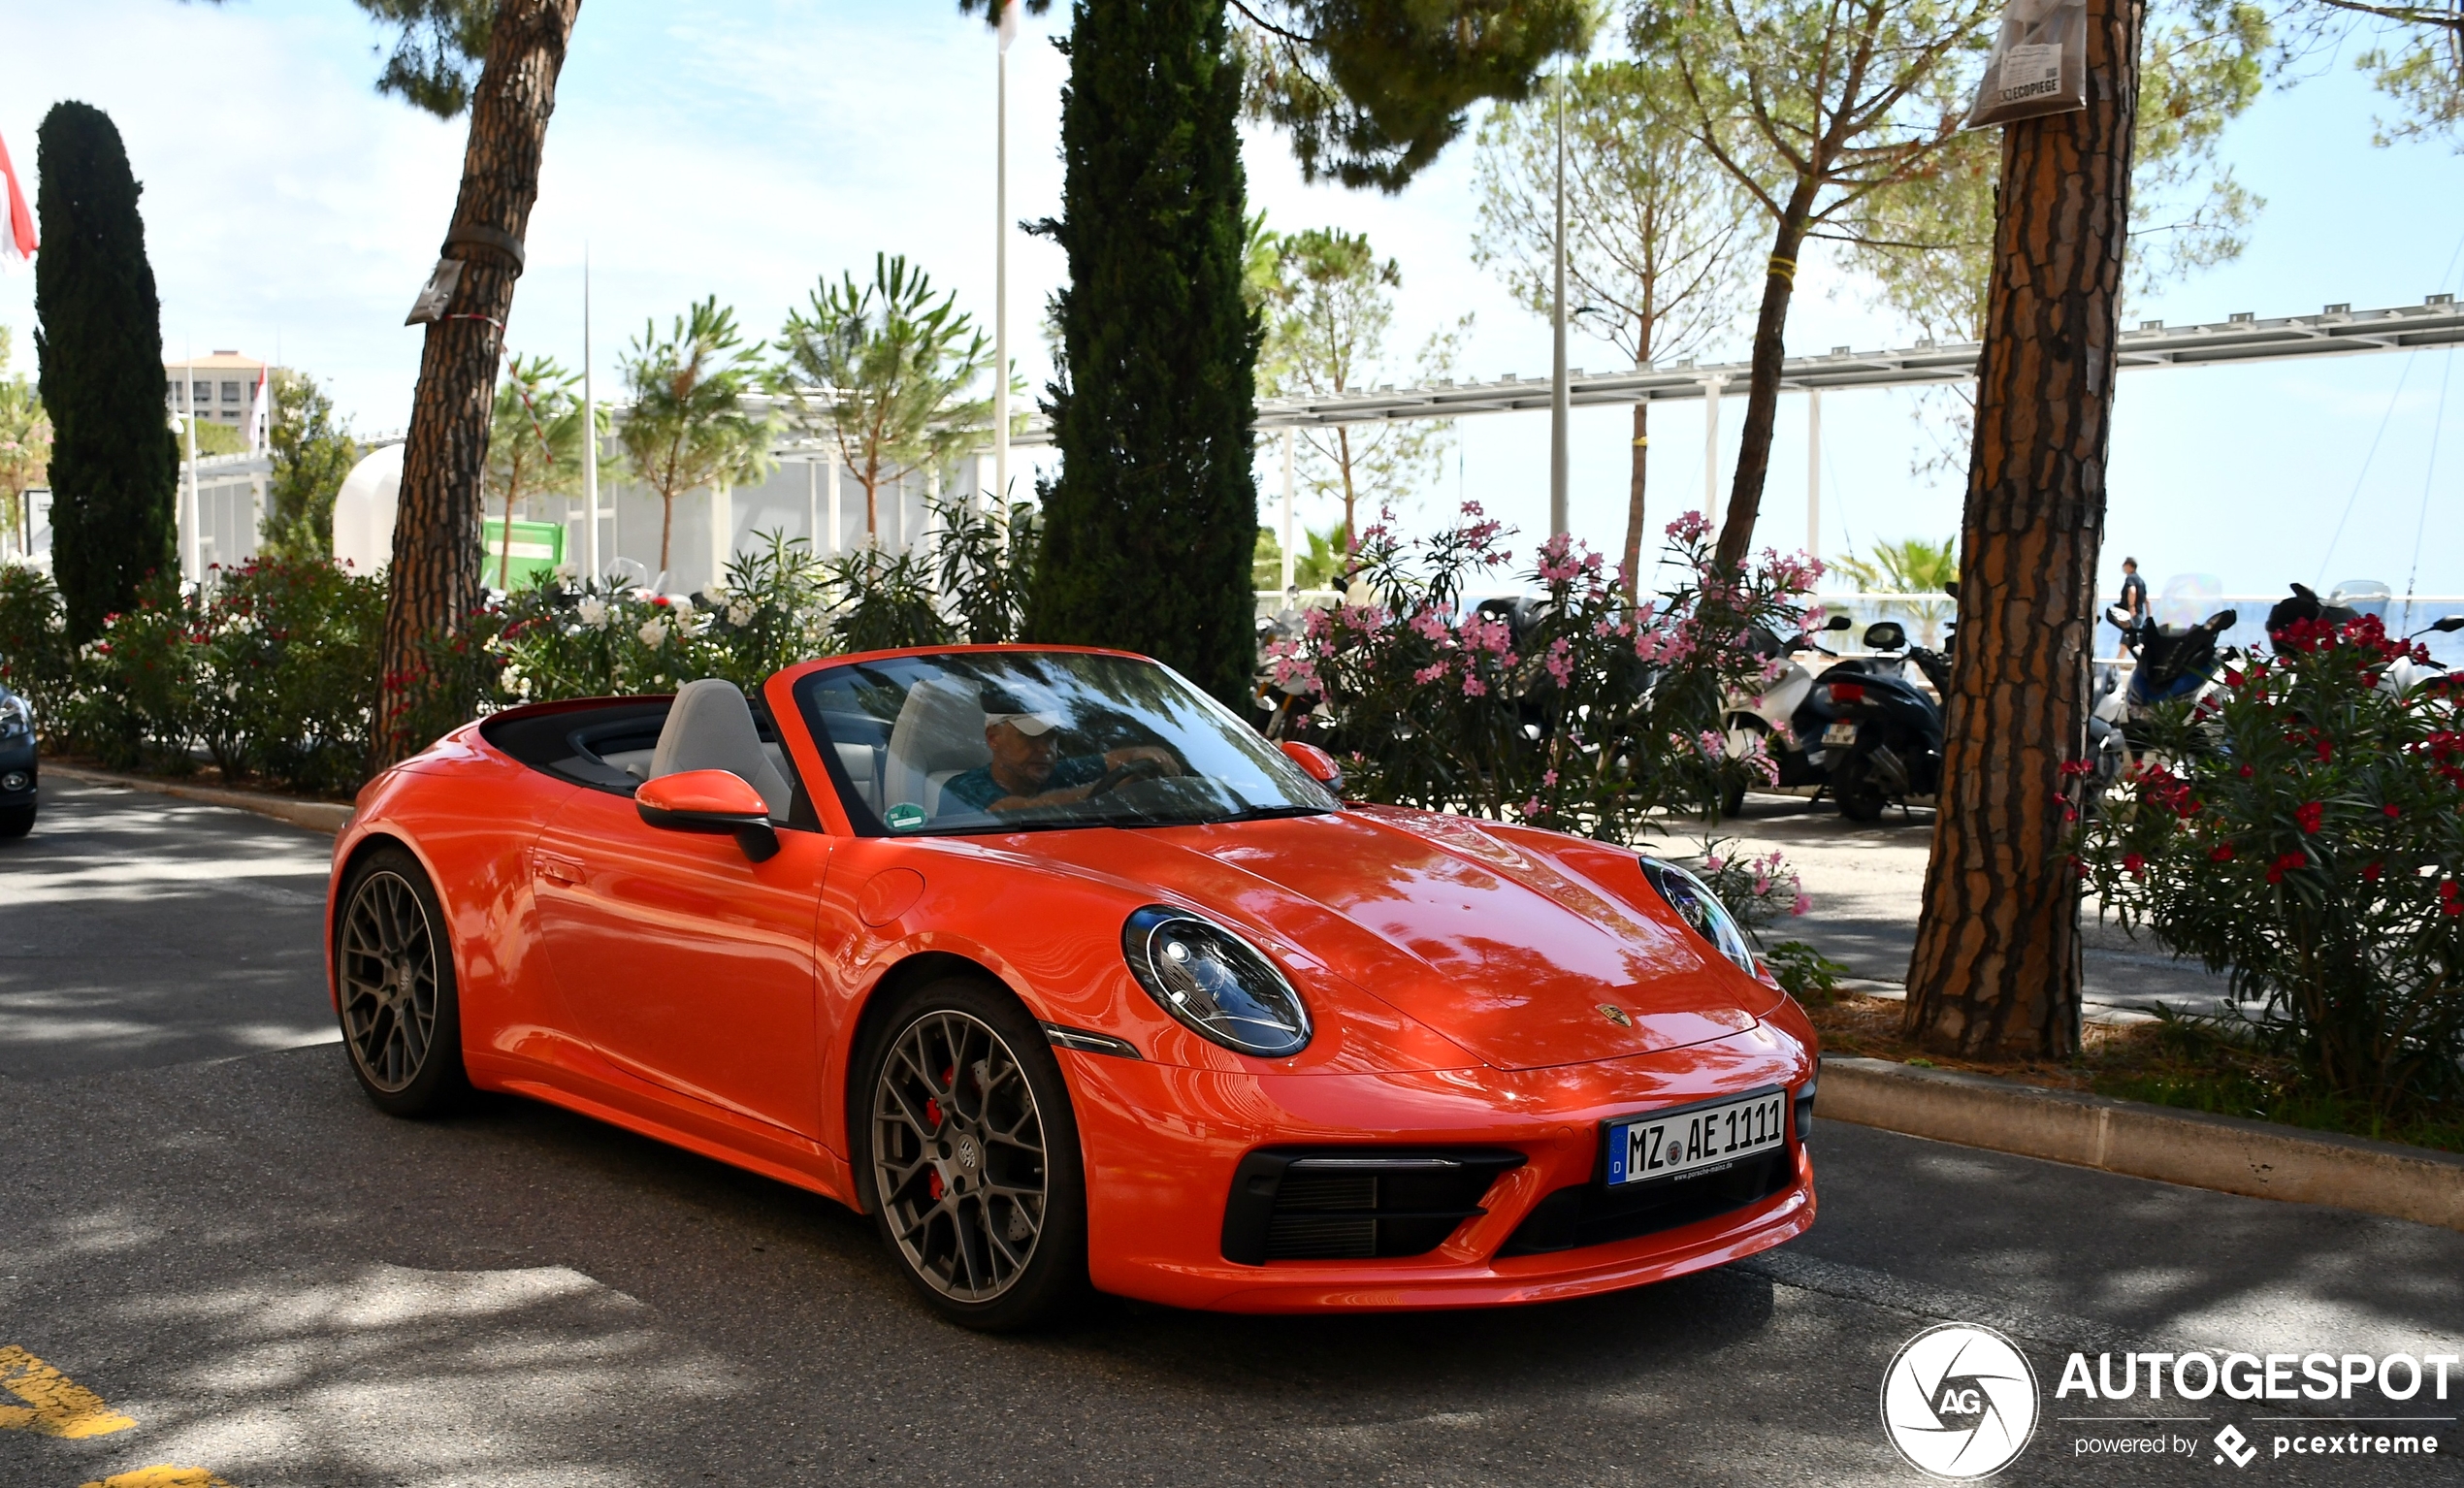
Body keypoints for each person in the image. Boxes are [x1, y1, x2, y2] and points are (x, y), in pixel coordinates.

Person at [936, 689, 1182, 815]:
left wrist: (1145, 754)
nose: (1046, 750)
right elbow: (1021, 811)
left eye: (1052, 738)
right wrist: (1115, 789)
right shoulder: (962, 790)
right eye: (1031, 738)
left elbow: (1118, 759)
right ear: (993, 738)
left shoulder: (1058, 774)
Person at [2114, 557, 2149, 657]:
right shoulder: (2141, 581)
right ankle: (2120, 664)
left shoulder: (2131, 578)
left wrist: (2131, 607)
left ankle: (2117, 665)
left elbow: (2132, 591)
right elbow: (2146, 600)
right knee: (2133, 640)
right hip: (2139, 614)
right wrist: (2149, 615)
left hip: (2132, 614)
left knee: (2126, 641)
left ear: (2130, 566)